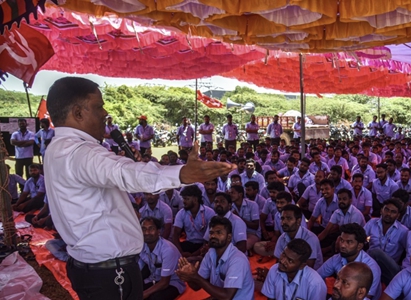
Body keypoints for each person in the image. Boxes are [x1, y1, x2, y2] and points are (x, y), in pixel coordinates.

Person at [43, 77, 234, 300]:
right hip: (109, 273)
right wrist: (183, 174)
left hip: (95, 269)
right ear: (78, 113)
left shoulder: (58, 148)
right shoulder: (79, 152)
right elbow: (124, 173)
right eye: (98, 106)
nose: (105, 113)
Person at [176, 216, 254, 300]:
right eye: (211, 233)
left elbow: (227, 297)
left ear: (229, 237)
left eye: (219, 233)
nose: (213, 236)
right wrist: (190, 277)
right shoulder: (210, 254)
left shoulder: (238, 260)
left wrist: (196, 277)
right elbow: (196, 287)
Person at [317, 223, 382, 299]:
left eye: (349, 242)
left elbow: (365, 297)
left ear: (359, 246)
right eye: (341, 240)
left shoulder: (371, 268)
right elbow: (317, 276)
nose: (342, 245)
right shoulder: (337, 258)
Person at [261, 239, 327, 300]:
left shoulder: (315, 284)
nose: (282, 261)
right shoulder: (274, 270)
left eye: (290, 261)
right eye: (284, 254)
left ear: (302, 265)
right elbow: (270, 298)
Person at [364, 198, 409, 285]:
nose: (388, 214)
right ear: (381, 210)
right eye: (386, 210)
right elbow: (360, 238)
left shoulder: (403, 231)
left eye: (393, 212)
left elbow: (409, 253)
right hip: (371, 264)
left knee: (376, 253)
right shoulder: (372, 223)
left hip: (389, 268)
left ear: (398, 215)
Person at [138, 217, 185, 300]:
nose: (147, 232)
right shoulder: (142, 246)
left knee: (155, 298)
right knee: (132, 291)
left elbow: (164, 282)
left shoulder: (168, 250)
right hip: (153, 279)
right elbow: (139, 269)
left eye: (151, 229)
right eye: (144, 229)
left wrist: (145, 293)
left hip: (172, 282)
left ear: (159, 231)